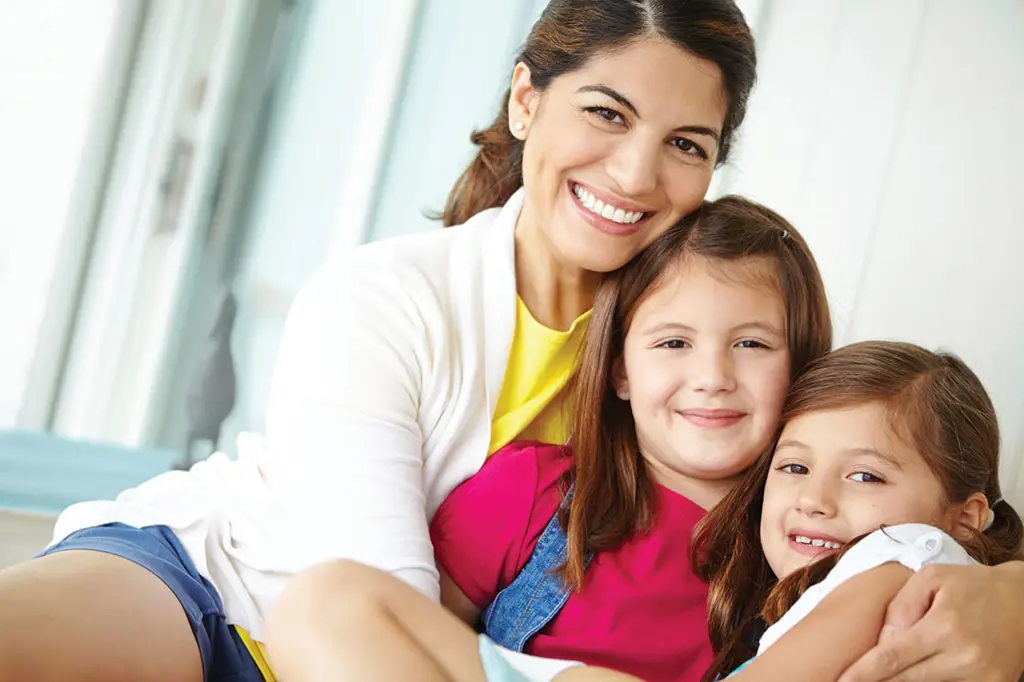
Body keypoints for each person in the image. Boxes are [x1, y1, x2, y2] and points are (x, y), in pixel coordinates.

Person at [1, 1, 1022, 681]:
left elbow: (896, 492)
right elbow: (370, 606)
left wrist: (1006, 588)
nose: (631, 173)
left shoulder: (702, 331)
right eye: (605, 113)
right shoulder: (384, 297)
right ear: (525, 101)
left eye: (684, 145)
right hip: (221, 576)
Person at [265, 194, 833, 682]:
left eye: (752, 344)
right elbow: (412, 646)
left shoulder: (809, 543)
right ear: (620, 371)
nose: (713, 377)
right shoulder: (530, 490)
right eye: (673, 344)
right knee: (323, 603)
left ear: (804, 367)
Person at [693, 341, 1024, 681]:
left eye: (865, 476)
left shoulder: (904, 557)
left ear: (964, 520)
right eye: (795, 467)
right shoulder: (772, 615)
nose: (813, 500)